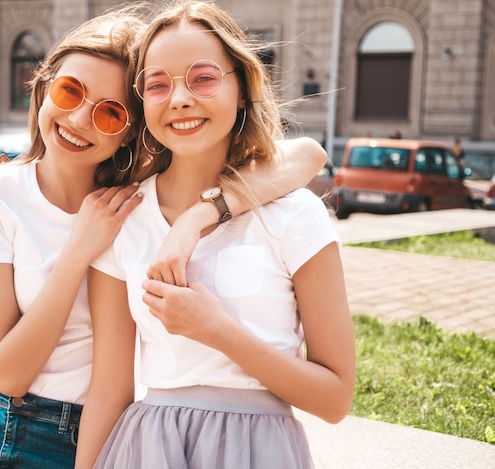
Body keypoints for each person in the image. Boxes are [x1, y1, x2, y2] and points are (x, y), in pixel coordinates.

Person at [0, 3, 327, 468]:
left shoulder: (134, 205)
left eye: (110, 113)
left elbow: (307, 155)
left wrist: (197, 218)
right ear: (43, 86)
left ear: (130, 131)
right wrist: (78, 250)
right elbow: (9, 373)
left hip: (75, 438)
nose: (78, 119)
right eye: (70, 91)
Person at [85, 1, 355, 468]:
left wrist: (218, 330)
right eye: (158, 84)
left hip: (258, 452)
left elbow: (334, 399)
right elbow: (109, 390)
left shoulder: (294, 215)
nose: (180, 98)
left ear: (242, 89)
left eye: (203, 78)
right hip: (147, 450)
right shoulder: (125, 218)